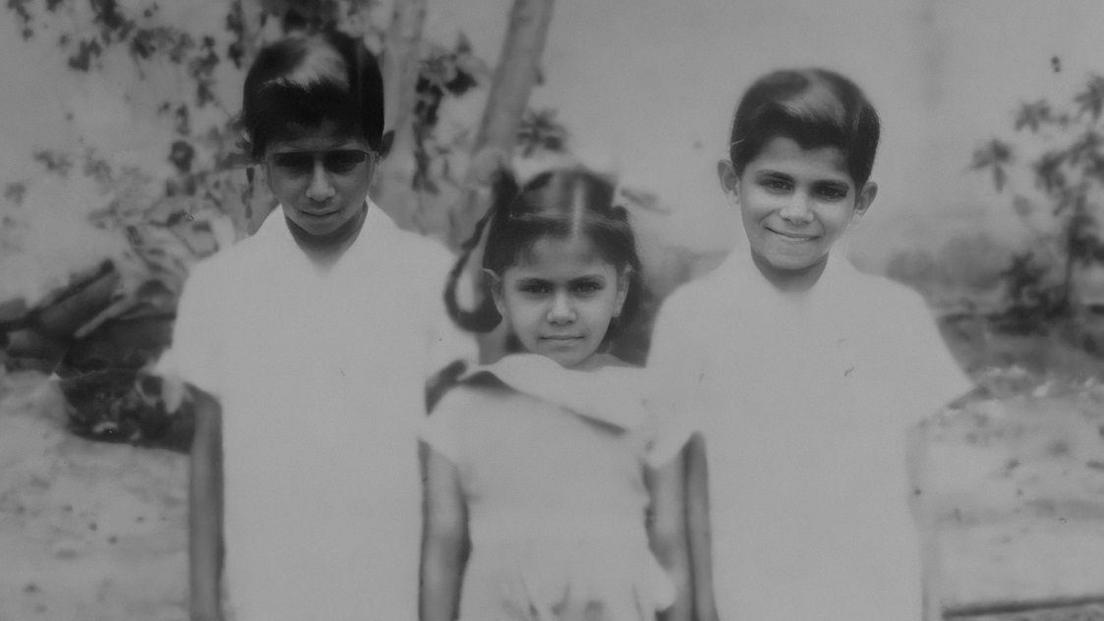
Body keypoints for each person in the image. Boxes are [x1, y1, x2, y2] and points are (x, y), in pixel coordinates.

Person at [155, 30, 473, 621]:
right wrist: (203, 603)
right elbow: (208, 457)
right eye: (295, 162)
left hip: (390, 589)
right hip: (267, 587)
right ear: (257, 157)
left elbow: (447, 476)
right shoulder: (221, 287)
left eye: (344, 159)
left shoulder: (429, 279)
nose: (321, 188)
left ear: (380, 149)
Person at [647, 68, 974, 621]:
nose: (797, 211)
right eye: (776, 182)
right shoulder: (693, 318)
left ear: (862, 198)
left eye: (826, 190)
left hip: (876, 599)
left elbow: (919, 495)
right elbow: (675, 515)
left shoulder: (895, 315)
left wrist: (931, 610)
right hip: (752, 600)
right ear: (732, 180)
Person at [421, 168, 692, 621]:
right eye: (536, 289)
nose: (561, 312)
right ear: (499, 293)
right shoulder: (464, 405)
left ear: (620, 289)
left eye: (585, 287)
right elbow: (442, 553)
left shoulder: (650, 399)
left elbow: (670, 546)